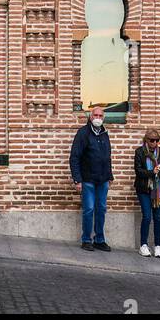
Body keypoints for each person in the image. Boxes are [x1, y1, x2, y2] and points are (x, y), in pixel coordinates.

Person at [69, 104, 113, 250]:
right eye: (96, 115)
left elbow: (107, 156)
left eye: (100, 116)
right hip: (87, 179)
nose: (98, 118)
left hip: (103, 180)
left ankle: (99, 240)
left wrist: (110, 175)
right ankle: (86, 239)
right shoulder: (83, 133)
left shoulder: (104, 133)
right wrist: (77, 179)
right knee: (88, 209)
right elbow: (74, 157)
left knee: (101, 209)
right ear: (90, 116)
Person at [133, 127, 160, 257]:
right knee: (147, 216)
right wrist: (152, 172)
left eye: (157, 140)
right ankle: (143, 245)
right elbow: (138, 171)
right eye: (152, 140)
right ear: (146, 140)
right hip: (144, 189)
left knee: (158, 218)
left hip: (158, 190)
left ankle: (157, 246)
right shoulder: (139, 152)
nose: (155, 143)